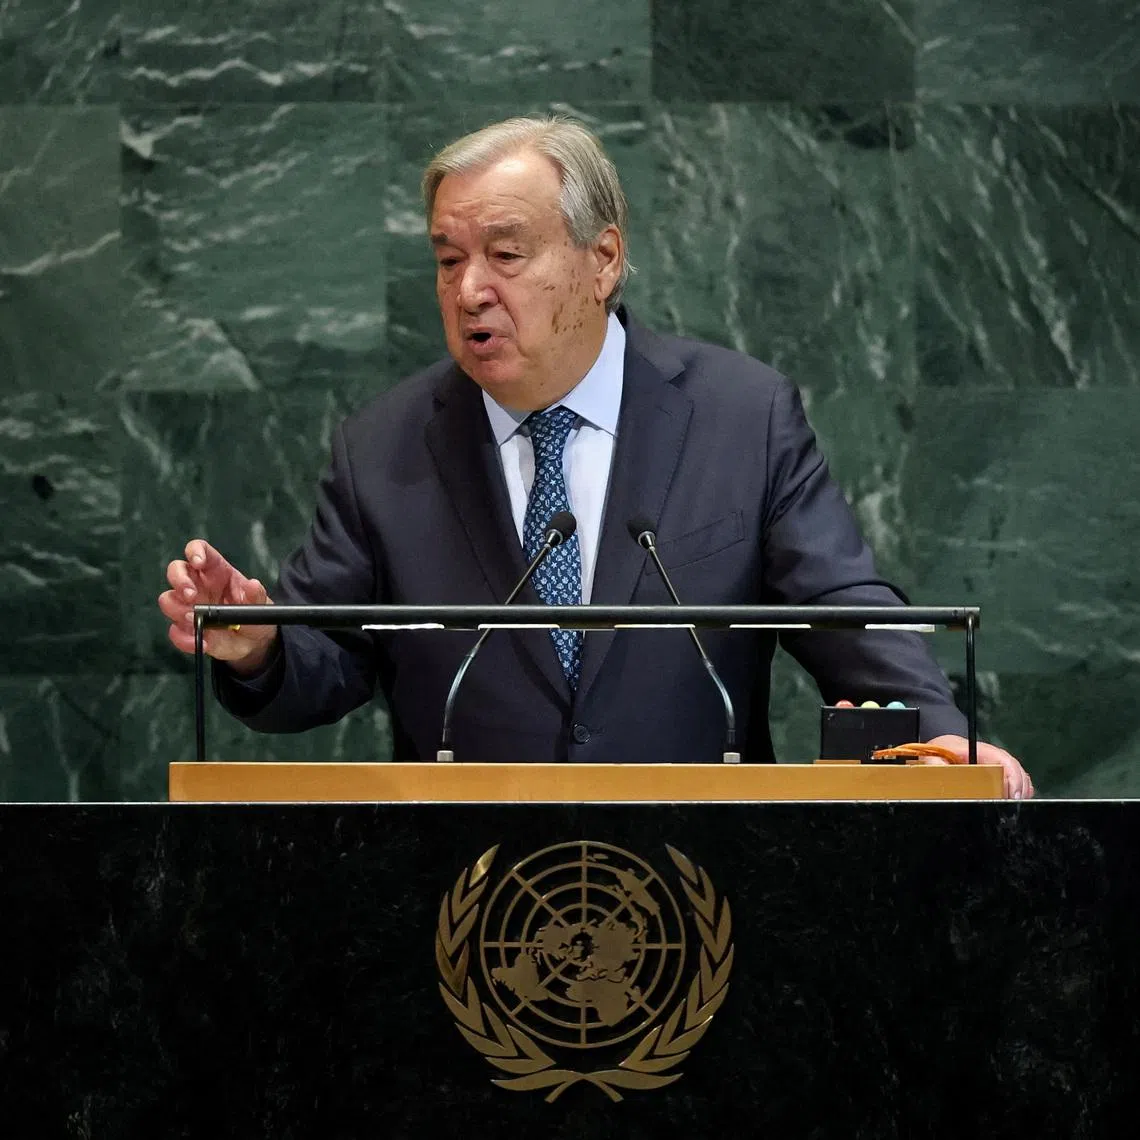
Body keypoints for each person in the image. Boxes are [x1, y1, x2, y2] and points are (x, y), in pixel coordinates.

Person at [158, 116, 1033, 798]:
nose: (470, 290)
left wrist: (939, 733)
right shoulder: (384, 446)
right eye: (449, 258)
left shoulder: (740, 416)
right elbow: (334, 656)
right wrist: (263, 644)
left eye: (505, 254)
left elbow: (843, 609)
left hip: (709, 877)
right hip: (465, 896)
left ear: (603, 258)